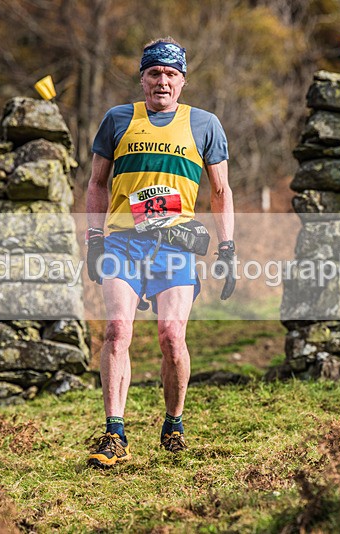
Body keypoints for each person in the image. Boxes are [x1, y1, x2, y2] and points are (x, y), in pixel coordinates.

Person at [84, 37, 236, 469]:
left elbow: (221, 191)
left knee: (171, 336)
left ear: (183, 81)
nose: (162, 82)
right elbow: (96, 183)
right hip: (122, 242)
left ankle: (174, 422)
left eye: (171, 74)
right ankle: (115, 433)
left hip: (175, 245)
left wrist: (227, 248)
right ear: (143, 78)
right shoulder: (118, 119)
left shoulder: (204, 124)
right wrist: (93, 238)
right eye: (154, 73)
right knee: (117, 331)